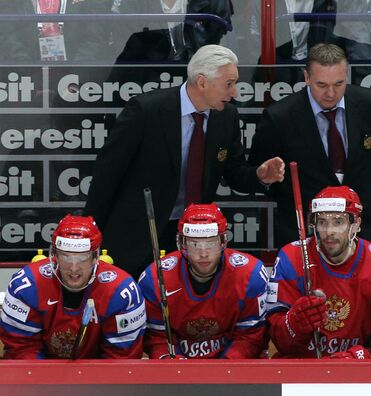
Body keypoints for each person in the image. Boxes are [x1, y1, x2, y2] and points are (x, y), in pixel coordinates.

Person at [85, 44, 284, 280]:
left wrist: (260, 176)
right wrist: (90, 233)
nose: (235, 93)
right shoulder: (146, 110)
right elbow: (107, 174)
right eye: (229, 84)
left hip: (193, 236)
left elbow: (234, 172)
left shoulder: (226, 117)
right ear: (202, 82)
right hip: (138, 233)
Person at [249, 43, 371, 247]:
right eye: (322, 85)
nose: (331, 93)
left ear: (347, 76)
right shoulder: (280, 117)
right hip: (304, 231)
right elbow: (263, 172)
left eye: (339, 83)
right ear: (306, 77)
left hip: (364, 227)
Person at [266, 186, 371, 358]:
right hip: (301, 369)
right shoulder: (291, 258)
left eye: (338, 221)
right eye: (322, 222)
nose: (329, 231)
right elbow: (277, 336)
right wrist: (293, 323)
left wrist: (364, 357)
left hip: (359, 377)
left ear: (356, 224)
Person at [0, 215, 145, 359]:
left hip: (97, 376)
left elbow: (121, 358)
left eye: (83, 258)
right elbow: (22, 349)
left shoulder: (121, 291)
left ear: (95, 257)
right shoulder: (26, 285)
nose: (74, 268)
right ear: (55, 255)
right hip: (41, 375)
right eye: (66, 257)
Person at [139, 203, 269, 358]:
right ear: (182, 244)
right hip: (177, 372)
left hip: (232, 371)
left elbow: (250, 335)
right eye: (195, 244)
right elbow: (156, 338)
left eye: (211, 243)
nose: (203, 253)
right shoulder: (154, 278)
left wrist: (226, 366)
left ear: (223, 241)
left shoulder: (250, 275)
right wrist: (171, 362)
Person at [0, 0, 113, 64]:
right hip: (24, 76)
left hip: (76, 75)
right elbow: (7, 34)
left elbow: (95, 36)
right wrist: (29, 71)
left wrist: (75, 75)